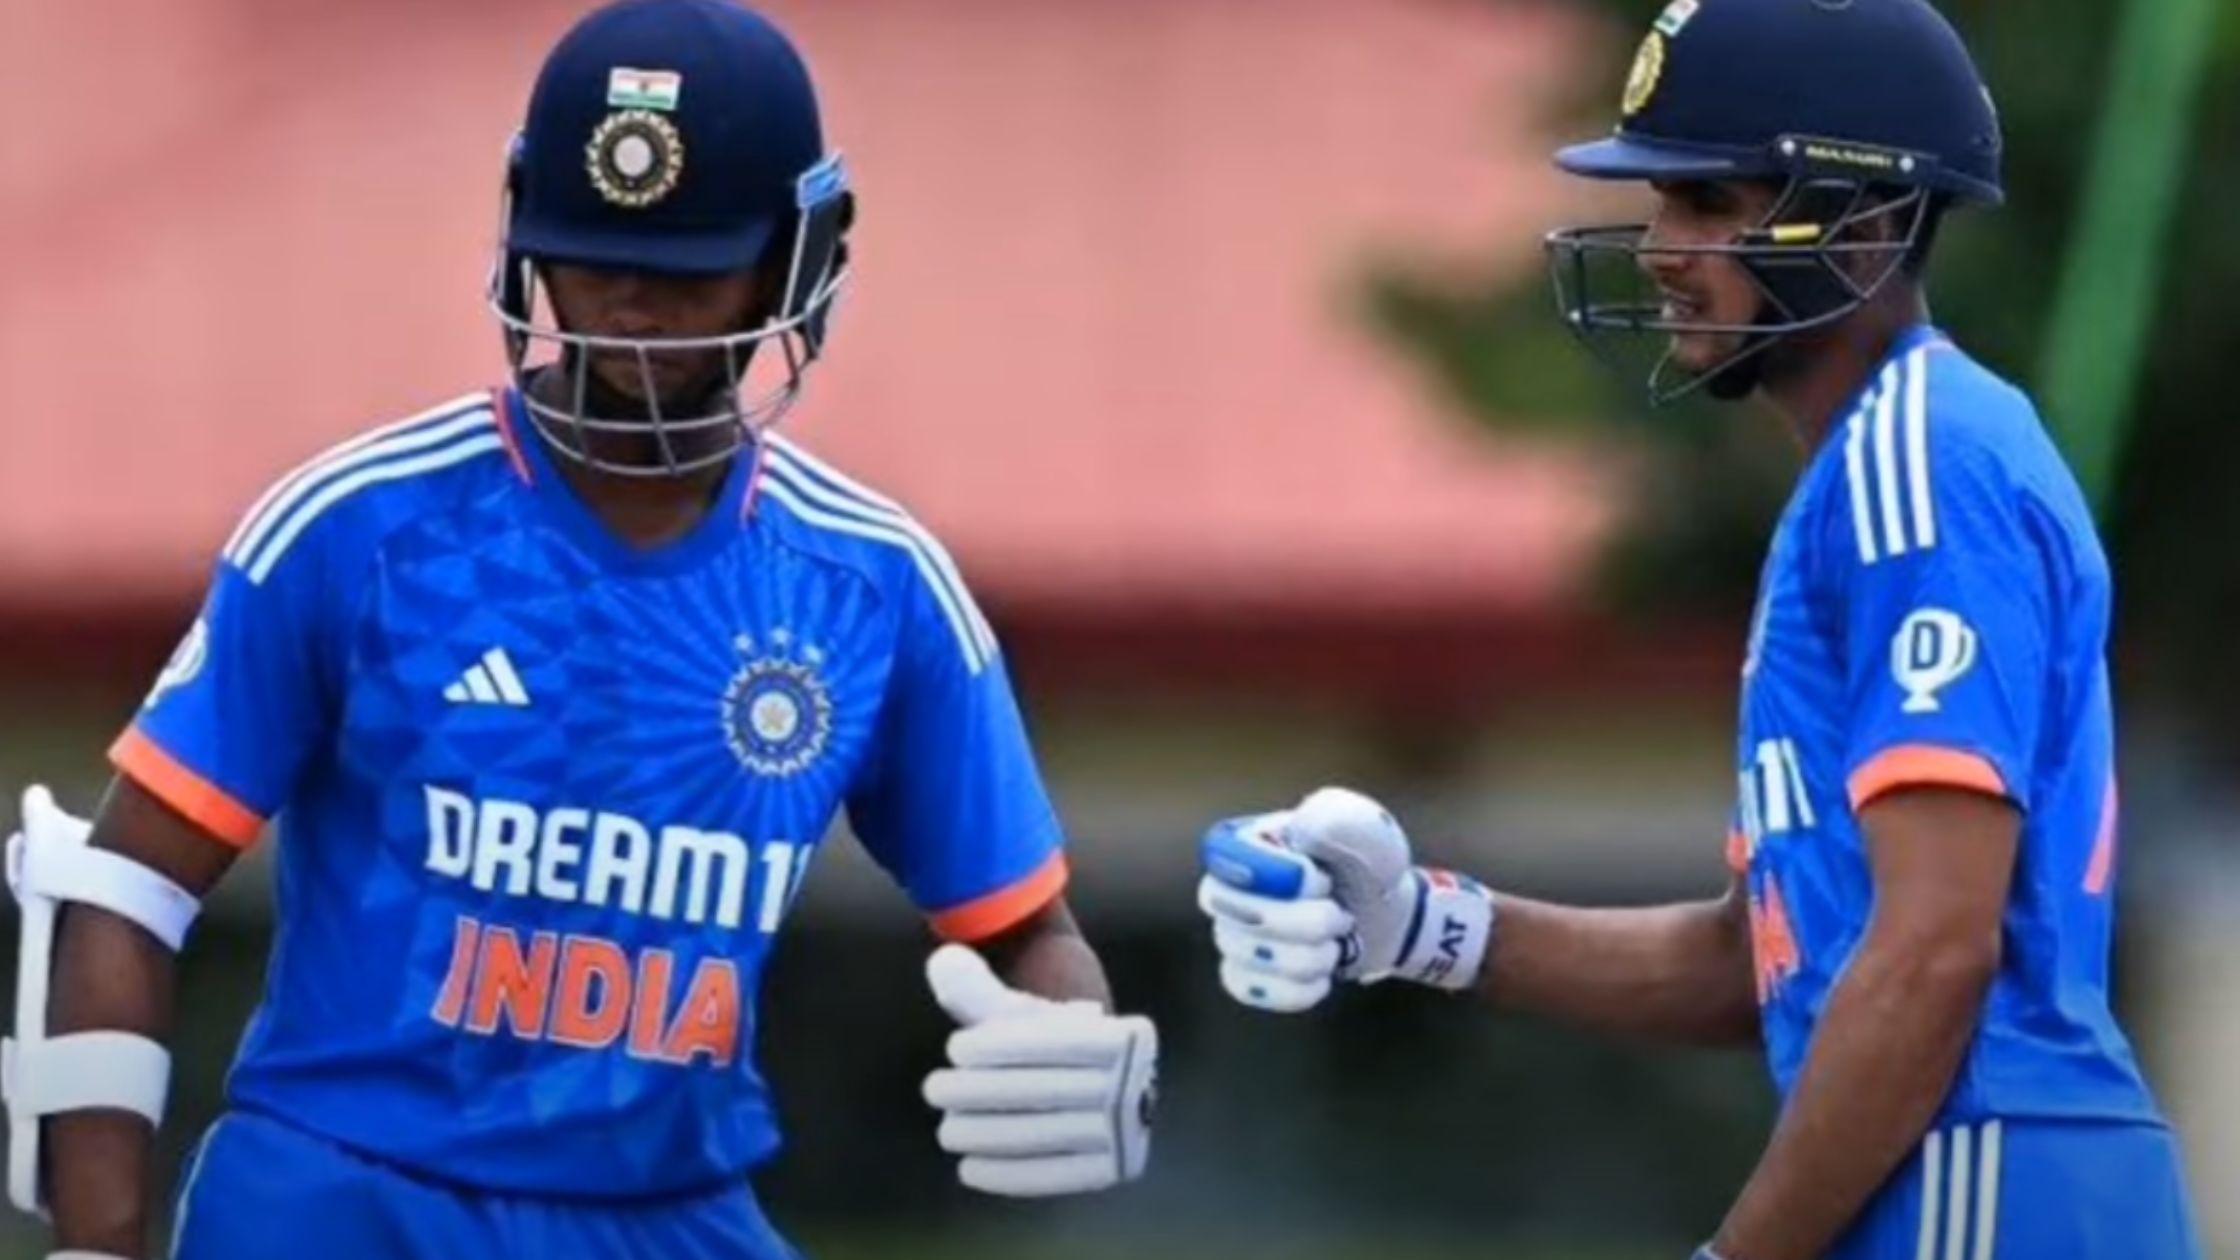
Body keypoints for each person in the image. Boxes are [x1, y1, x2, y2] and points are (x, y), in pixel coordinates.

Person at [3, 3, 1155, 1257]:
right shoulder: (362, 528)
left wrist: (1083, 1053)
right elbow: (121, 887)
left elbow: (1027, 931)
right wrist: (95, 1245)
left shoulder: (873, 587)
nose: (634, 315)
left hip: (667, 1215)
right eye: (593, 262)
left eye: (685, 272)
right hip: (342, 1198)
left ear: (798, 255)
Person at [1194, 0, 2201, 1256]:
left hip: (1979, 1178)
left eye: (1711, 203)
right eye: (1663, 202)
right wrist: (1418, 927)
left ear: (1870, 224)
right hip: (1963, 1170)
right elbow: (1756, 961)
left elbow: (1934, 951)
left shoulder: (1920, 461)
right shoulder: (1860, 476)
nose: (1661, 246)